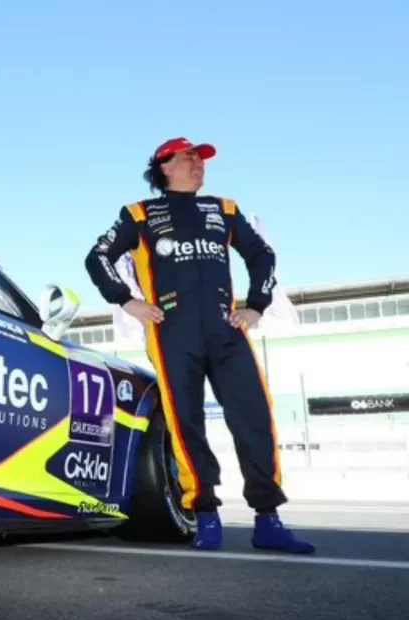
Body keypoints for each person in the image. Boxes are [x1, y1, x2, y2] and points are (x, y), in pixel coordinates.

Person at [83, 137, 315, 554]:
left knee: (255, 421)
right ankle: (205, 515)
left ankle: (268, 519)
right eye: (188, 157)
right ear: (164, 166)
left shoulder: (223, 209)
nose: (198, 164)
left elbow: (260, 255)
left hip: (228, 332)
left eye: (200, 158)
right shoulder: (139, 213)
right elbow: (96, 257)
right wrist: (127, 300)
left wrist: (257, 305)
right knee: (187, 424)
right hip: (173, 334)